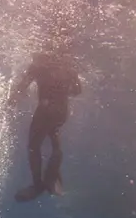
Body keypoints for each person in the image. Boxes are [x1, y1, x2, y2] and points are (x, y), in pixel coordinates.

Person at [9, 49, 82, 202]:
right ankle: (53, 171)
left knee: (33, 146)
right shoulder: (67, 64)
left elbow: (23, 85)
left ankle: (38, 185)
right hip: (62, 111)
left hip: (45, 110)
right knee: (54, 131)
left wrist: (12, 101)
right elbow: (77, 91)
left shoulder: (38, 64)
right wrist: (62, 90)